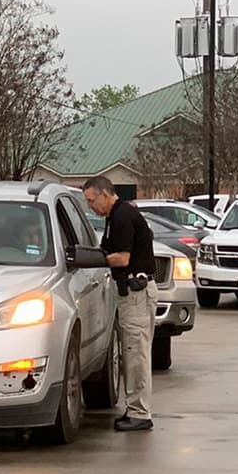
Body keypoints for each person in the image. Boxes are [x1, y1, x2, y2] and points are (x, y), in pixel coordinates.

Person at [81, 177, 157, 432]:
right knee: (131, 352)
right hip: (131, 293)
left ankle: (140, 413)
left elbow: (122, 258)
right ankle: (135, 408)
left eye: (92, 200)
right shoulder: (114, 217)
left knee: (136, 354)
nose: (90, 206)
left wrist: (88, 261)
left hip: (136, 292)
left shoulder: (123, 217)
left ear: (105, 194)